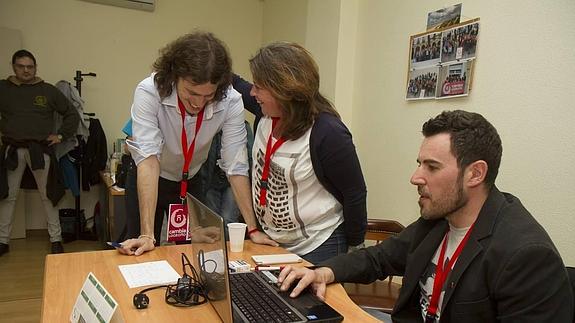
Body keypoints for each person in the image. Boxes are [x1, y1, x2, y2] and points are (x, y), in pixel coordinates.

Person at [277, 110, 574, 322]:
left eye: (431, 167)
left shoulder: (526, 255)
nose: (415, 177)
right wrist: (321, 272)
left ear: (475, 173)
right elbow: (378, 258)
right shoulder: (438, 221)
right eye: (419, 164)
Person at [117, 32, 277, 256]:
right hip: (149, 176)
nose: (198, 103)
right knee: (143, 251)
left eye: (208, 95)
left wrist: (253, 229)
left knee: (188, 251)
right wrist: (146, 235)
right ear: (174, 76)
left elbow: (236, 166)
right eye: (191, 92)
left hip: (190, 182)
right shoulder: (149, 91)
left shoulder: (231, 100)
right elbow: (148, 160)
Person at [232, 42, 368, 264]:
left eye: (259, 87)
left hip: (318, 243)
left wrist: (355, 249)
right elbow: (233, 81)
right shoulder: (264, 110)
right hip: (272, 238)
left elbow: (355, 192)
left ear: (284, 90)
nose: (253, 92)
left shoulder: (328, 132)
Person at [0, 49, 79, 255]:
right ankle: (3, 241)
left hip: (40, 151)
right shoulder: (3, 88)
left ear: (35, 67)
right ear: (13, 67)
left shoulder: (48, 90)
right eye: (21, 66)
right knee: (8, 196)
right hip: (12, 151)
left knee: (48, 196)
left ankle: (56, 239)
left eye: (30, 67)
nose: (26, 71)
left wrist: (60, 136)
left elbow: (72, 114)